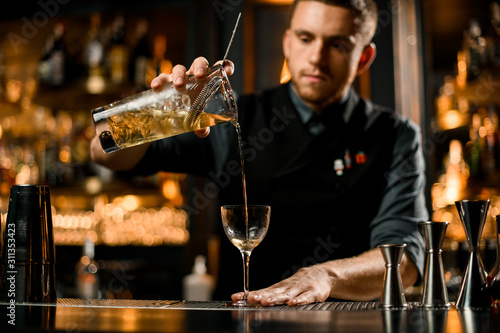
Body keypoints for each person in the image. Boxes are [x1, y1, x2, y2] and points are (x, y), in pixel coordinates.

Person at [91, 0, 428, 306]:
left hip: (348, 323)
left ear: (364, 58)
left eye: (338, 44)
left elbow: (406, 262)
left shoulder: (394, 136)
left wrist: (325, 276)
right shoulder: (232, 116)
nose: (316, 57)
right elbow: (103, 152)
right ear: (288, 43)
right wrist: (154, 115)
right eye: (306, 38)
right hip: (243, 318)